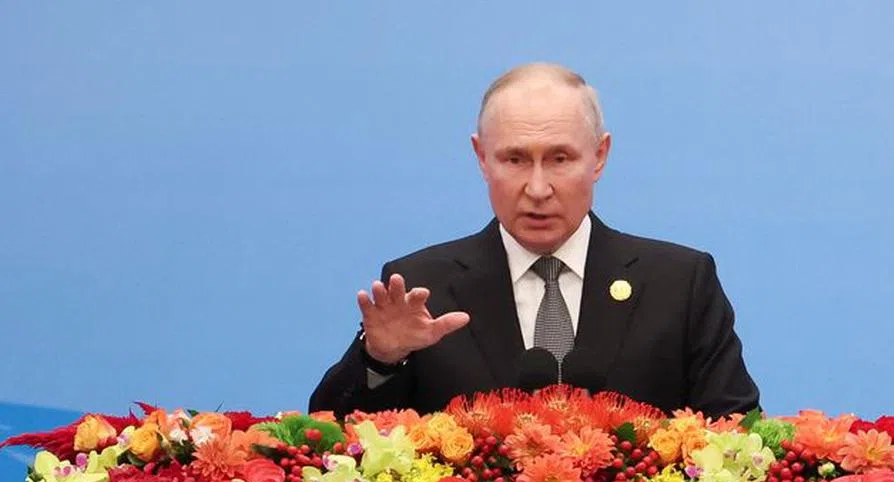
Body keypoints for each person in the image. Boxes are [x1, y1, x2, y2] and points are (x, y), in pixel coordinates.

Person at [309, 63, 759, 419]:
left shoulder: (679, 284)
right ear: (481, 158)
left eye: (560, 158)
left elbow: (739, 432)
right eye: (515, 159)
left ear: (599, 156)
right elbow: (335, 444)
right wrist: (381, 358)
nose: (538, 188)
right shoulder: (421, 287)